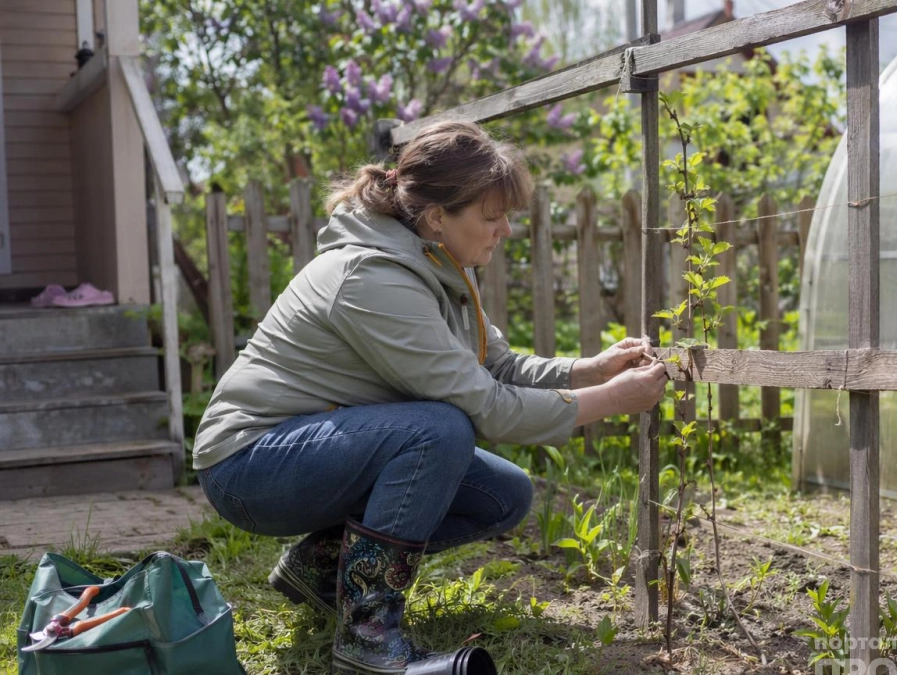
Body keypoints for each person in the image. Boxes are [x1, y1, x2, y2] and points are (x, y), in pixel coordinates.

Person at [191, 120, 667, 674]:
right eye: (492, 217)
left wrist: (590, 370)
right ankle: (367, 636)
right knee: (440, 429)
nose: (505, 230)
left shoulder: (434, 262)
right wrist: (612, 400)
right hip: (249, 465)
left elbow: (500, 365)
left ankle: (321, 570)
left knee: (502, 494)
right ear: (438, 216)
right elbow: (484, 404)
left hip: (316, 445)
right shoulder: (373, 277)